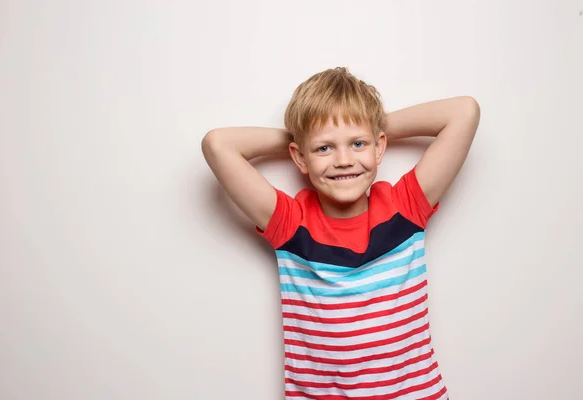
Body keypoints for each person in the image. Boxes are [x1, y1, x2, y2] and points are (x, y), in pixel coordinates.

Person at [201, 67, 480, 399]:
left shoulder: (405, 207)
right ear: (299, 158)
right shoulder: (291, 223)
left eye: (358, 144)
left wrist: (364, 122)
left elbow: (465, 111)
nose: (344, 160)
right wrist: (306, 136)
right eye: (324, 149)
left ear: (379, 148)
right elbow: (218, 145)